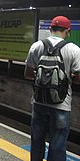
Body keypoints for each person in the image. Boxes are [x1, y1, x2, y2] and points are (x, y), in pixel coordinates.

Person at [24, 16, 80, 161]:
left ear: (50, 29)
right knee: (57, 144)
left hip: (39, 102)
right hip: (61, 105)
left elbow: (28, 74)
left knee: (36, 141)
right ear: (68, 31)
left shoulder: (36, 46)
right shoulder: (74, 49)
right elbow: (78, 79)